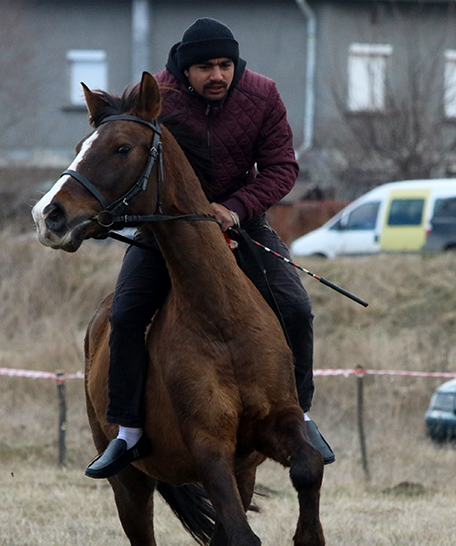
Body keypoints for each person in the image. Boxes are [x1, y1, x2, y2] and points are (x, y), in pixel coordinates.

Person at [86, 17, 334, 478]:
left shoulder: (263, 95)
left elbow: (282, 168)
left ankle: (298, 417)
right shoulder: (152, 97)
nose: (217, 75)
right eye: (205, 68)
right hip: (164, 230)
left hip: (243, 224)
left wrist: (236, 207)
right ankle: (128, 433)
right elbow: (112, 150)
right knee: (125, 314)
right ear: (184, 70)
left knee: (296, 307)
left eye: (225, 65)